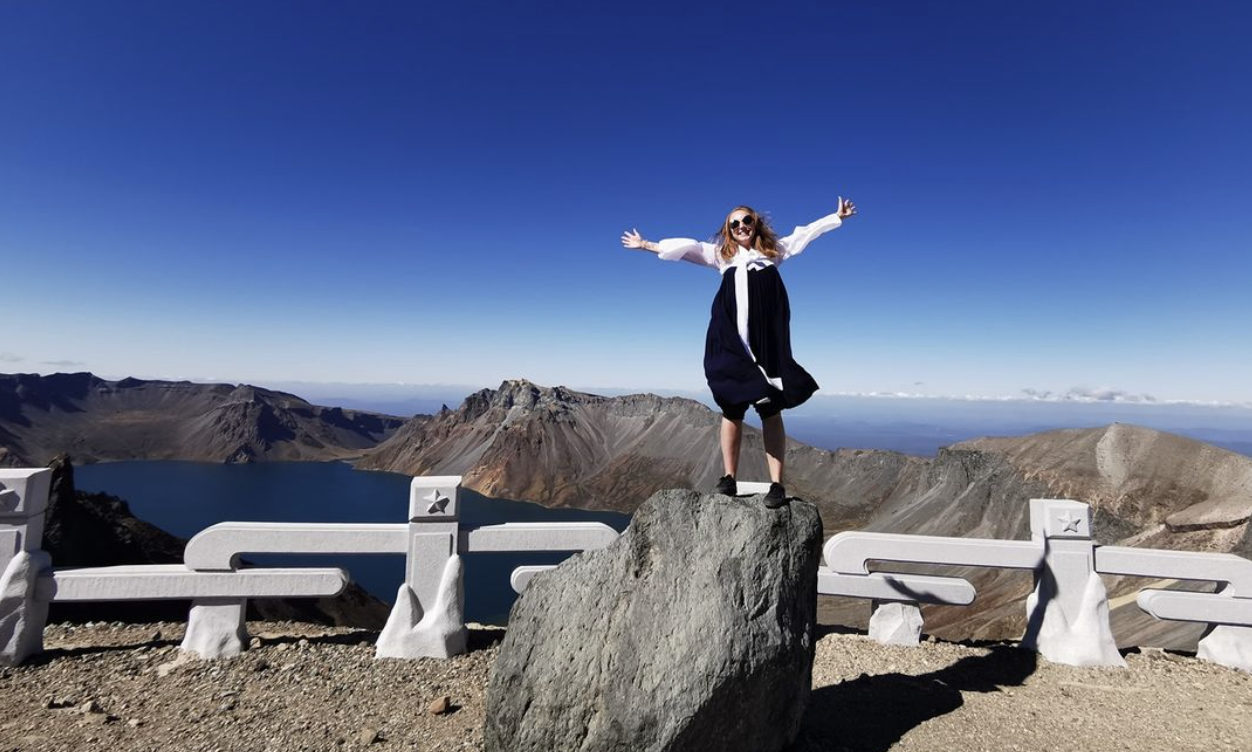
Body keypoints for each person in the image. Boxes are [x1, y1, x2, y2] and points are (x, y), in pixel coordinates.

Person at [622, 198, 856, 508]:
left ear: (755, 224)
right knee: (731, 407)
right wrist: (646, 245)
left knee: (771, 408)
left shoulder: (774, 252)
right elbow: (689, 248)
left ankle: (776, 484)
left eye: (746, 221)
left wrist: (835, 217)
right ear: (728, 231)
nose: (741, 226)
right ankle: (729, 478)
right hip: (730, 336)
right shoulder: (722, 256)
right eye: (734, 224)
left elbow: (805, 233)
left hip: (766, 340)